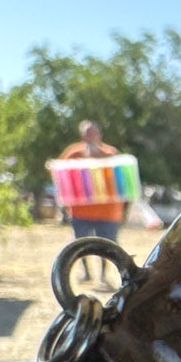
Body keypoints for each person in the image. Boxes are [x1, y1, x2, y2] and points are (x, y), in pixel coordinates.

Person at [59, 121, 125, 287]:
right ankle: (87, 273)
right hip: (80, 211)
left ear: (99, 135)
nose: (90, 137)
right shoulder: (73, 154)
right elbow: (62, 177)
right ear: (83, 135)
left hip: (108, 212)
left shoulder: (111, 154)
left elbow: (121, 179)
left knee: (108, 245)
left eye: (93, 133)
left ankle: (104, 276)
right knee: (80, 244)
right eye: (87, 133)